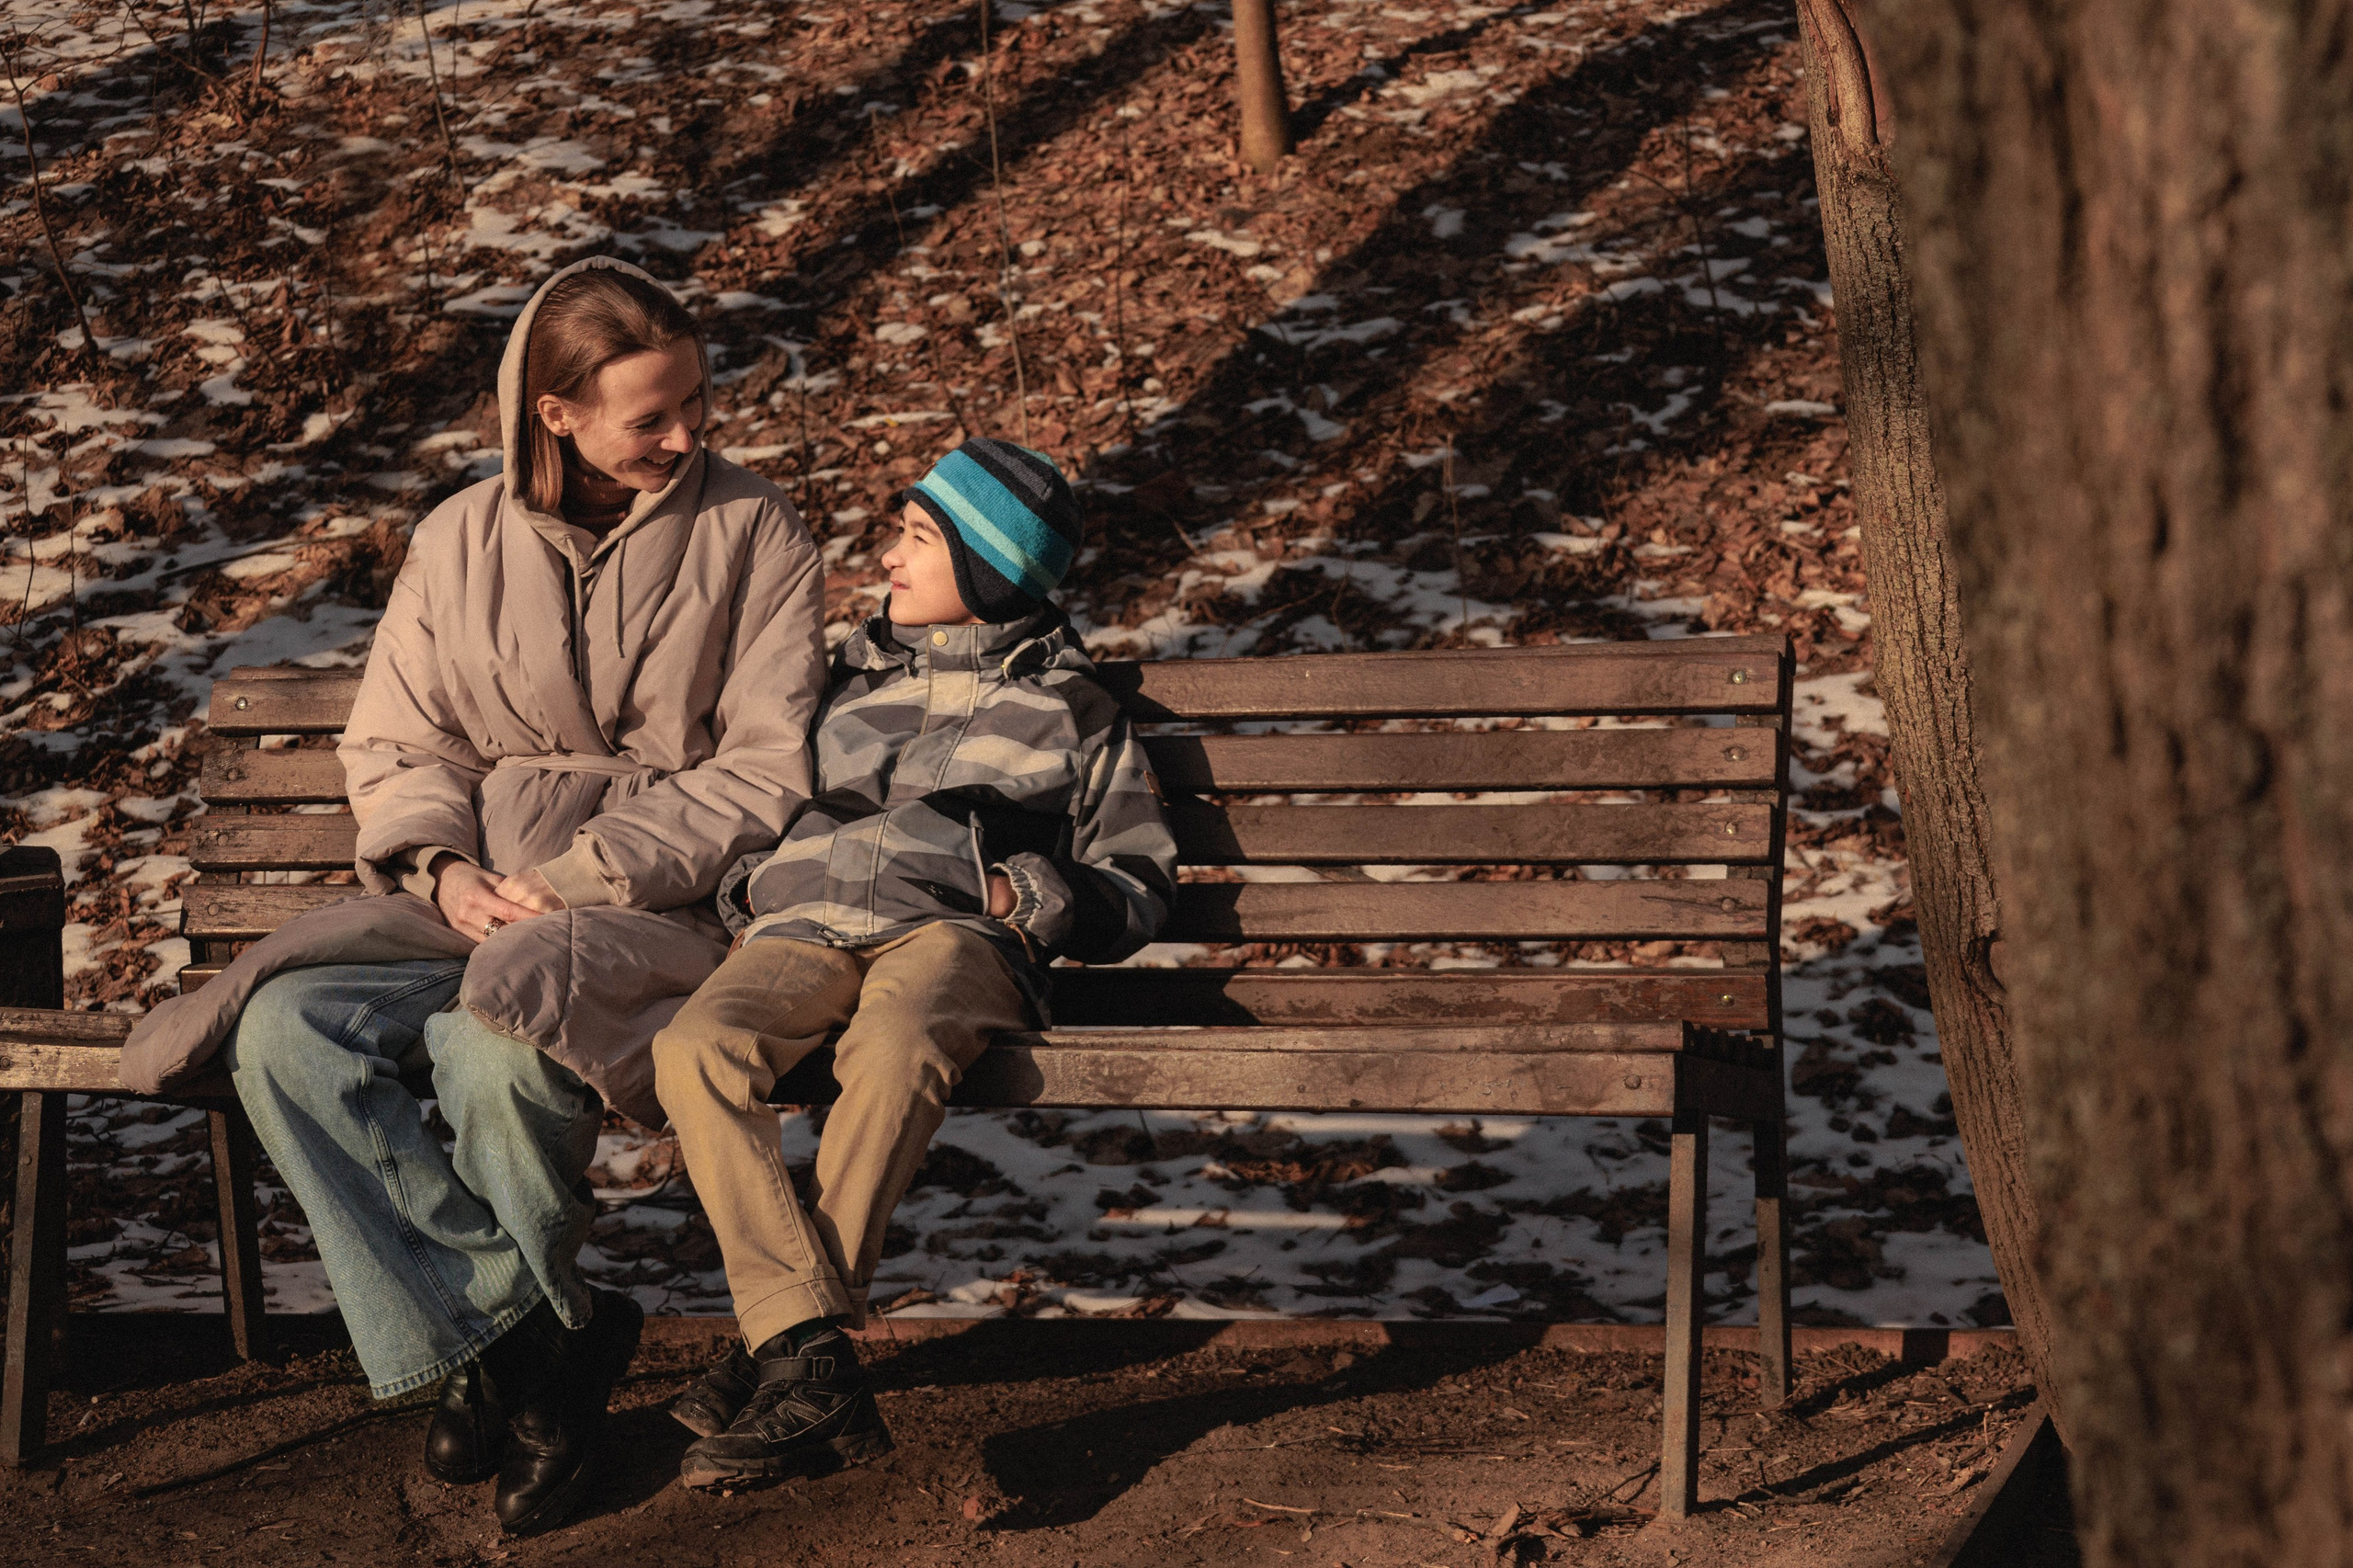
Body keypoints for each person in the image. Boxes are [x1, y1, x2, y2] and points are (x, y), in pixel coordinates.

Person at [119, 257, 829, 1535]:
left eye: (694, 402)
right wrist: (442, 869)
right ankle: (535, 1347)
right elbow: (402, 744)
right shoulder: (458, 536)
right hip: (474, 887)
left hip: (648, 902)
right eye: (651, 416)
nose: (688, 435)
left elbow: (765, 770)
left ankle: (489, 1354)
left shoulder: (756, 530)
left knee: (494, 1051)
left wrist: (574, 878)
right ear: (554, 414)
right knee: (287, 1034)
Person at [649, 438, 1178, 1491]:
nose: (888, 556)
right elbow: (747, 797)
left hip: (957, 942)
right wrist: (753, 883)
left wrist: (1018, 896)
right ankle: (809, 1350)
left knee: (892, 1047)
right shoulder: (837, 681)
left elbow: (1137, 881)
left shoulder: (1075, 709)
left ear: (987, 572)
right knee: (696, 1046)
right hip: (806, 925)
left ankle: (783, 1345)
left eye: (919, 539)